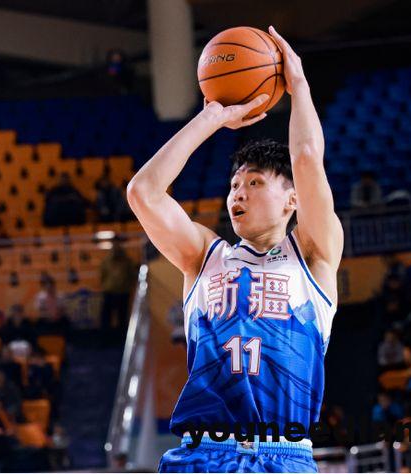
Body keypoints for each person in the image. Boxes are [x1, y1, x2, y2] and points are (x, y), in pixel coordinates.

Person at [127, 26, 343, 473]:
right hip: (203, 454)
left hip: (284, 456)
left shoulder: (313, 255)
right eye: (234, 185)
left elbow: (306, 157)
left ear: (292, 200)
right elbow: (143, 192)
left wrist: (299, 85)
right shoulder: (205, 256)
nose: (238, 193)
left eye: (255, 183)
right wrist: (211, 118)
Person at [99, 240, 137, 337]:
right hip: (111, 291)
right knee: (108, 316)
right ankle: (107, 336)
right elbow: (102, 275)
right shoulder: (108, 261)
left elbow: (132, 276)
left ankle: (120, 337)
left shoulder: (126, 262)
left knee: (121, 316)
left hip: (121, 292)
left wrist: (128, 286)